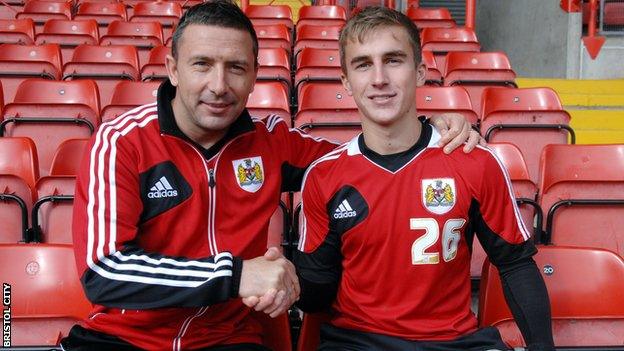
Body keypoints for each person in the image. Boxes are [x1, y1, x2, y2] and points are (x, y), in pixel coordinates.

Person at [61, 1, 479, 350]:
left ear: (255, 75)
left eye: (236, 68)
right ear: (173, 69)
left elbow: (365, 162)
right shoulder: (122, 142)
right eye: (202, 65)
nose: (219, 85)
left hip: (226, 339)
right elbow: (103, 272)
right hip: (121, 339)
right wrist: (236, 275)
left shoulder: (272, 142)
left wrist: (427, 129)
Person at [294, 6, 555, 351]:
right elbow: (315, 296)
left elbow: (515, 265)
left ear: (419, 72)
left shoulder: (474, 161)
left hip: (455, 342)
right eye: (362, 64)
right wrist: (288, 278)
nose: (379, 78)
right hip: (359, 343)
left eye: (393, 60)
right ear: (345, 81)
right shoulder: (324, 176)